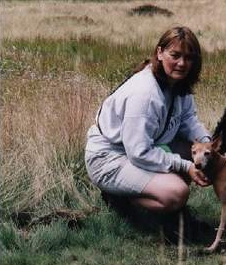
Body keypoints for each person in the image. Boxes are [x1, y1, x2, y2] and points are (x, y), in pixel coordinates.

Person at [85, 27, 211, 220]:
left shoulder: (178, 84)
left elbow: (188, 120)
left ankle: (164, 208)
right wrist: (185, 166)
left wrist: (208, 144)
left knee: (197, 153)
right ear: (159, 53)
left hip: (140, 150)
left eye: (189, 57)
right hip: (109, 158)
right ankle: (121, 201)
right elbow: (139, 152)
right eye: (175, 55)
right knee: (177, 193)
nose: (182, 63)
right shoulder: (145, 94)